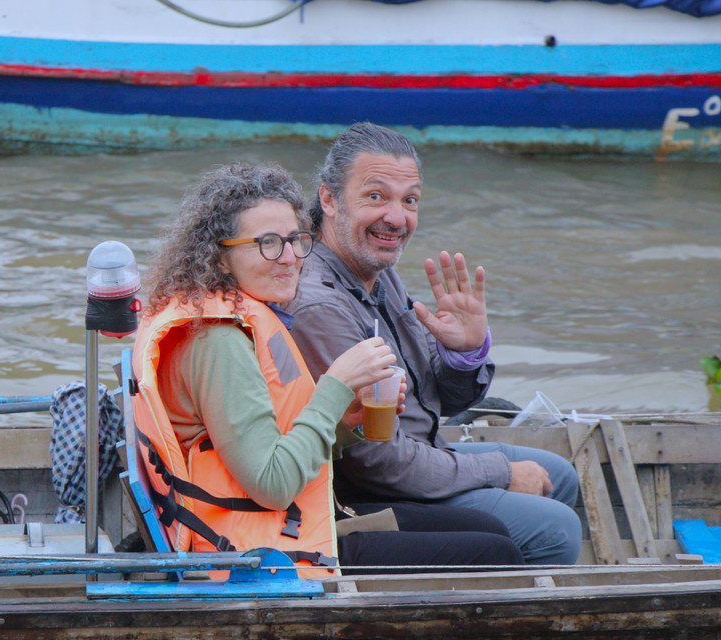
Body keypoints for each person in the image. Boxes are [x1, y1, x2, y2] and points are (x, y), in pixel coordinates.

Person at [130, 162, 524, 573]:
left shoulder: (236, 314)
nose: (289, 258)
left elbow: (276, 445)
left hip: (281, 525)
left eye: (296, 240)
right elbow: (273, 484)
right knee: (495, 554)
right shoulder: (217, 340)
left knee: (488, 529)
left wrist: (347, 419)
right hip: (254, 556)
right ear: (221, 256)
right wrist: (335, 387)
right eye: (267, 243)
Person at [286, 122, 583, 565]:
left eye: (409, 201)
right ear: (329, 200)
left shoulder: (376, 269)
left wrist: (465, 353)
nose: (396, 218)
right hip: (370, 489)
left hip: (420, 452)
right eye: (375, 196)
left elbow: (439, 402)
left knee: (558, 474)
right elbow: (376, 462)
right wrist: (500, 472)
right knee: (557, 530)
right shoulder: (319, 305)